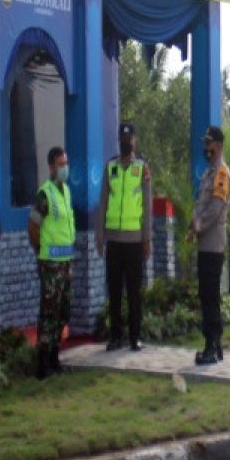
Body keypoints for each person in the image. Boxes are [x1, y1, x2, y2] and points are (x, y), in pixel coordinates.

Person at [97, 122, 152, 352]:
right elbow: (102, 203)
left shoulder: (142, 168)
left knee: (134, 291)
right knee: (115, 290)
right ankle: (116, 336)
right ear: (118, 140)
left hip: (134, 241)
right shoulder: (110, 167)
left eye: (129, 138)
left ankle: (135, 336)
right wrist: (100, 236)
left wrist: (147, 238)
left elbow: (147, 205)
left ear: (135, 140)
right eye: (122, 138)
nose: (126, 142)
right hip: (114, 241)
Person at [27, 146, 75, 379]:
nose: (65, 168)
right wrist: (39, 252)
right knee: (49, 313)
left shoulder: (65, 191)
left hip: (65, 262)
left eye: (66, 163)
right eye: (60, 164)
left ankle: (56, 358)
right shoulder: (44, 194)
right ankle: (42, 363)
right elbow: (33, 226)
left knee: (63, 312)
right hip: (50, 263)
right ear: (51, 167)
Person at [190, 125, 230, 365]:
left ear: (219, 145)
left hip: (213, 243)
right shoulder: (209, 173)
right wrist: (193, 226)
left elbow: (216, 209)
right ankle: (213, 345)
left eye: (209, 143)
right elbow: (202, 205)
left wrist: (199, 226)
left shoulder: (221, 174)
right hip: (205, 243)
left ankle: (212, 346)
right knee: (206, 295)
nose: (206, 147)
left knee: (210, 296)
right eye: (205, 143)